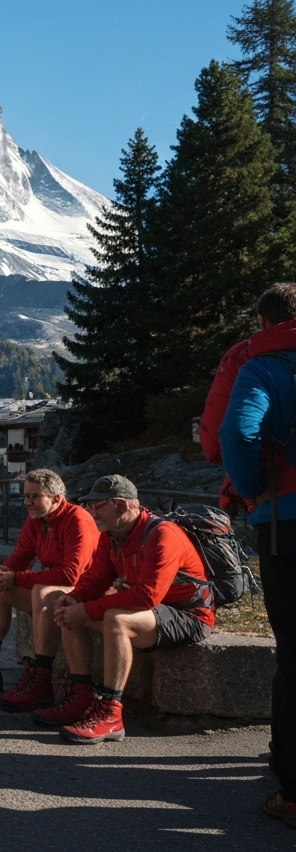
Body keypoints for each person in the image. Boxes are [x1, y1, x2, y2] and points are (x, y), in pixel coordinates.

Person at [40, 475, 214, 744]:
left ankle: (110, 713)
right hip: (152, 612)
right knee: (70, 613)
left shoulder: (162, 534)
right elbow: (97, 579)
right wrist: (74, 599)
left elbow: (147, 596)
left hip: (188, 615)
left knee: (115, 619)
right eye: (90, 505)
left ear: (121, 505)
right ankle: (81, 697)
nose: (91, 511)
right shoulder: (111, 536)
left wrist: (87, 609)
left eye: (98, 505)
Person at [218, 306, 296, 828]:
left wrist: (250, 490)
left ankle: (292, 791)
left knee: (294, 654)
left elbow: (237, 432)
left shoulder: (262, 363)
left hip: (286, 521)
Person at [0, 468, 98, 711]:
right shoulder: (37, 520)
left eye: (35, 497)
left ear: (56, 499)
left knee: (42, 592)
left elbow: (71, 574)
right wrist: (3, 572)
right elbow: (20, 557)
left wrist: (17, 577)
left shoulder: (77, 520)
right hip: (58, 591)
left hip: (83, 592)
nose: (28, 502)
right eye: (26, 496)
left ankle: (41, 677)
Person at [200, 283, 296, 515]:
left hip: (281, 501)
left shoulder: (249, 361)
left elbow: (225, 439)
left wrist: (249, 488)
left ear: (263, 321)